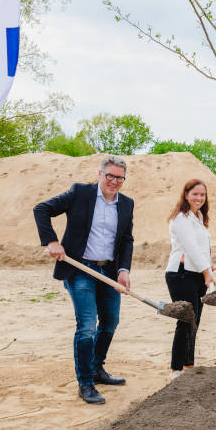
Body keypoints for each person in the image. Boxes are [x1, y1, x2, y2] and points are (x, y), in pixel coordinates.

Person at [33, 155, 134, 405]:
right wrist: (51, 241)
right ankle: (86, 383)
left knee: (110, 323)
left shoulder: (127, 204)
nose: (114, 181)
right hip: (79, 269)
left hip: (109, 272)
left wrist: (124, 269)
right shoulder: (80, 193)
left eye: (119, 177)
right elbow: (42, 209)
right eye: (109, 175)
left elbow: (126, 239)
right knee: (87, 325)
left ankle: (97, 369)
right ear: (100, 174)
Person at [165, 178, 214, 380]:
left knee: (195, 320)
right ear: (186, 195)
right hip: (181, 274)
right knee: (185, 320)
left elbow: (201, 247)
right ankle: (176, 369)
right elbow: (191, 247)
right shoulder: (181, 219)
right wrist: (207, 272)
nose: (199, 198)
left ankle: (188, 364)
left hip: (196, 273)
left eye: (202, 194)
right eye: (195, 194)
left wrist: (208, 265)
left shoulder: (199, 216)